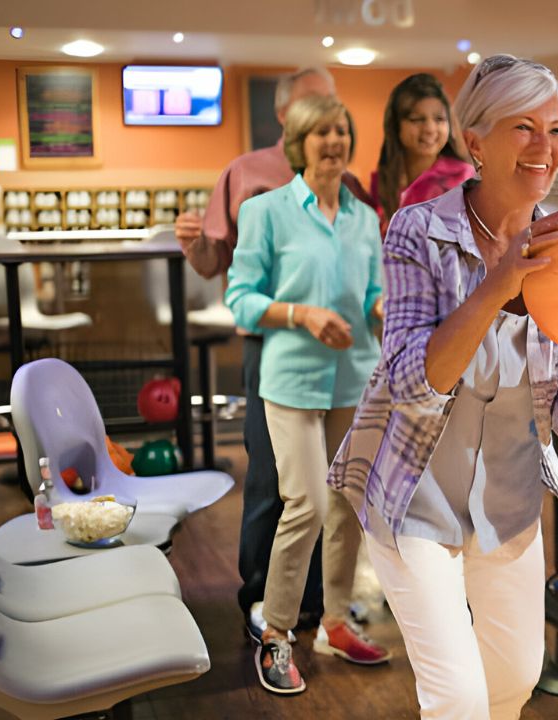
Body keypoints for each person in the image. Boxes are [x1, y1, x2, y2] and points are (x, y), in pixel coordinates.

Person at [329, 55, 558, 719]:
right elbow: (411, 382)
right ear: (474, 142)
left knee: (512, 684)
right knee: (457, 697)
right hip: (411, 499)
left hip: (508, 506)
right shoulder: (417, 232)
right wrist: (494, 286)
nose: (545, 147)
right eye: (524, 128)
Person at [174, 67, 372, 637]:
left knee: (336, 489)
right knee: (274, 480)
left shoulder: (353, 192)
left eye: (336, 113)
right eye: (316, 111)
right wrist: (195, 248)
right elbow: (221, 268)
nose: (330, 128)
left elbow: (366, 279)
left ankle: (322, 605)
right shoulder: (246, 175)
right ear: (286, 116)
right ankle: (262, 602)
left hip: (343, 358)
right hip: (275, 346)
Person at [226, 95, 390, 694]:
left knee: (348, 504)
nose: (333, 140)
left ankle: (337, 622)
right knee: (308, 505)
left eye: (341, 130)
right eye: (320, 131)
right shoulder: (266, 212)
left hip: (355, 376)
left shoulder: (364, 217)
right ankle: (275, 634)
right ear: (298, 142)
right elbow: (240, 299)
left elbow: (373, 290)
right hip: (291, 380)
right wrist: (301, 315)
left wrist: (379, 305)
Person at [372, 73, 474, 233]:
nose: (430, 129)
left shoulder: (462, 178)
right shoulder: (382, 180)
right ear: (396, 125)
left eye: (439, 119)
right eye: (417, 119)